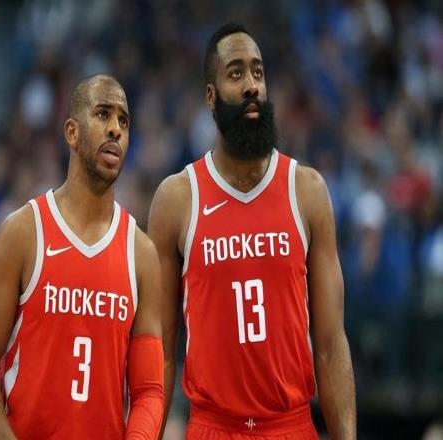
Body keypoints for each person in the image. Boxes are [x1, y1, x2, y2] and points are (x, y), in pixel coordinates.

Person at [148, 23, 356, 439]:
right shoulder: (177, 199)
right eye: (236, 73)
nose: (251, 86)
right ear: (210, 96)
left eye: (258, 73)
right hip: (212, 426)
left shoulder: (307, 191)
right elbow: (160, 350)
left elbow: (331, 345)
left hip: (290, 424)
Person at [0, 74, 164, 439]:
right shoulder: (24, 232)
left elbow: (149, 391)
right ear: (72, 132)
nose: (115, 129)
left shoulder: (141, 253)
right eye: (103, 114)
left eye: (123, 120)